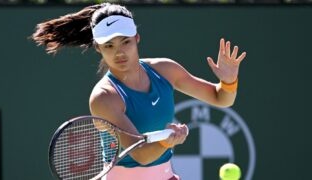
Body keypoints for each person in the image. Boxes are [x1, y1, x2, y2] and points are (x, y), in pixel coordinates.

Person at [31, 3, 246, 180]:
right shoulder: (105, 97)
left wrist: (228, 82)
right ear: (98, 48)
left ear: (137, 38)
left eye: (125, 41)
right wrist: (167, 141)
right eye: (109, 45)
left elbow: (221, 99)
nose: (119, 52)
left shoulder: (166, 70)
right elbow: (142, 155)